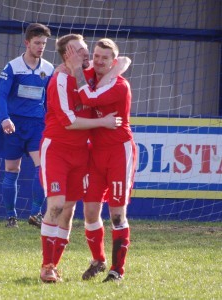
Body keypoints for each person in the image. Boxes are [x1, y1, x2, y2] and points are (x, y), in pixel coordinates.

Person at [39, 34, 128, 283]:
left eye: (85, 48)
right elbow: (68, 122)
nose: (87, 54)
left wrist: (117, 65)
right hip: (57, 149)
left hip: (83, 154)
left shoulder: (88, 72)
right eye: (79, 50)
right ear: (66, 54)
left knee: (69, 210)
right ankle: (46, 266)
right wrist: (104, 122)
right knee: (56, 206)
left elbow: (122, 61)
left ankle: (54, 266)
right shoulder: (60, 79)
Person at [66, 38, 136, 282]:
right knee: (90, 210)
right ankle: (99, 260)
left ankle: (118, 270)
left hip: (118, 151)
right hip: (95, 153)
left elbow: (89, 99)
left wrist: (119, 68)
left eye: (105, 58)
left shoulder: (120, 85)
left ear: (112, 61)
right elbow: (62, 71)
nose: (98, 61)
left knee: (117, 214)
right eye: (96, 56)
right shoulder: (92, 76)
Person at [0, 23, 54, 228]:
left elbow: (49, 100)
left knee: (44, 168)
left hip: (37, 124)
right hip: (14, 124)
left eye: (44, 43)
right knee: (12, 169)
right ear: (27, 43)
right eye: (37, 43)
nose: (41, 47)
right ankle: (11, 217)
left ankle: (36, 213)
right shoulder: (12, 67)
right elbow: (1, 95)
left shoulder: (48, 69)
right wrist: (4, 118)